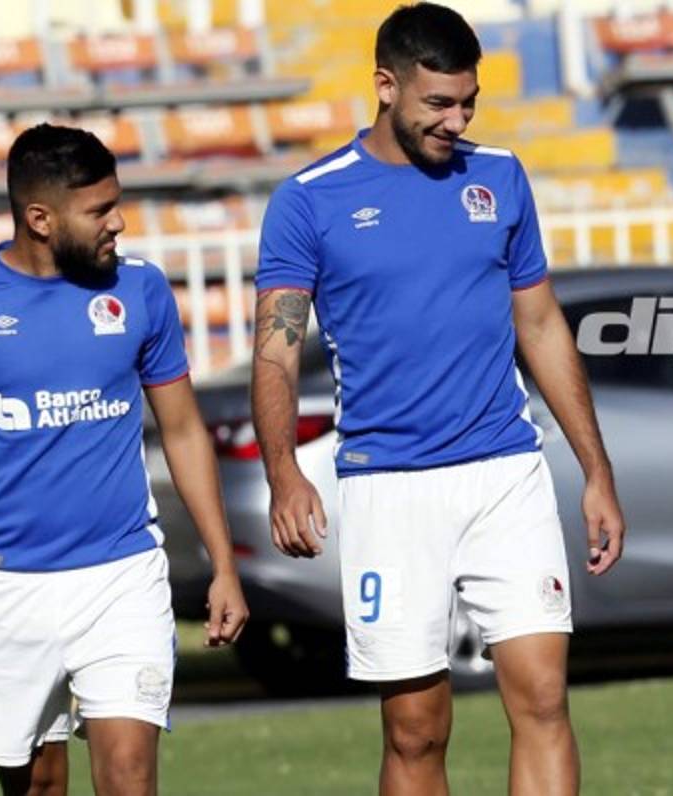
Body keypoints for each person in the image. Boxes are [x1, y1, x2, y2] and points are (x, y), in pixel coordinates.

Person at [250, 4, 625, 794]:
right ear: (385, 87)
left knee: (544, 699)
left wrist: (597, 470)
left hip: (505, 474)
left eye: (468, 104)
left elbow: (541, 325)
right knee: (416, 731)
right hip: (388, 486)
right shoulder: (309, 200)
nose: (456, 121)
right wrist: (284, 471)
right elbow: (276, 352)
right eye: (438, 104)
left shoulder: (500, 177)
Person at [0, 123, 249, 796]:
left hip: (123, 576)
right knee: (38, 784)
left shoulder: (142, 290)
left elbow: (182, 430)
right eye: (99, 210)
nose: (117, 222)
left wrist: (224, 565)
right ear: (40, 218)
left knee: (128, 776)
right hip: (10, 588)